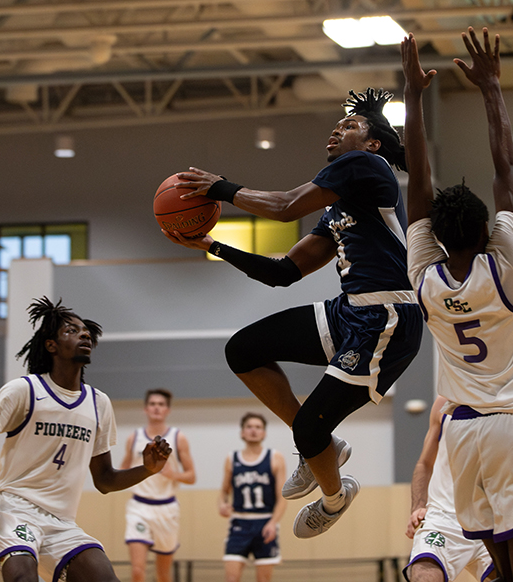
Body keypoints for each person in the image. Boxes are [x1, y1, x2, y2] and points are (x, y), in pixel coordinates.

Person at [164, 85, 423, 538]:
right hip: (349, 314)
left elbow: (284, 207)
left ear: (372, 143)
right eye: (338, 124)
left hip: (387, 320)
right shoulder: (342, 204)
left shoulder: (366, 166)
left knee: (308, 427)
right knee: (244, 350)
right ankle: (323, 446)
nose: (336, 130)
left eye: (349, 125)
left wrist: (221, 188)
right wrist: (212, 245)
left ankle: (335, 496)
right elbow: (283, 272)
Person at [403, 28, 513, 582]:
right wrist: (492, 88)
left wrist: (413, 98)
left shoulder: (424, 280)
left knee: (502, 575)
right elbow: (507, 173)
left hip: (462, 435)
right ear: (489, 230)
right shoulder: (507, 268)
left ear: (438, 238)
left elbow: (416, 192)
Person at [0, 297, 172, 582]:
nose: (84, 334)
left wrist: (148, 469)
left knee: (104, 577)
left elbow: (105, 480)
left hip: (62, 522)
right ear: (51, 345)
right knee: (24, 578)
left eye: (86, 331)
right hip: (17, 508)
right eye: (72, 331)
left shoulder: (98, 403)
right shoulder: (23, 391)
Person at [404, 396, 496, 582]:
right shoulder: (444, 402)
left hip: (494, 520)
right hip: (444, 518)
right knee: (424, 575)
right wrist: (418, 506)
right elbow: (425, 463)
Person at [120, 389, 196, 582]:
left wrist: (173, 474)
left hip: (166, 508)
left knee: (163, 575)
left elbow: (192, 476)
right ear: (145, 409)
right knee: (138, 570)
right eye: (153, 404)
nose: (156, 408)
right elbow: (122, 469)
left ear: (167, 410)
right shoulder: (134, 437)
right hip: (139, 506)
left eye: (161, 404)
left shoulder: (178, 437)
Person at [218, 413, 286, 582]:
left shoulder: (275, 457)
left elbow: (282, 497)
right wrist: (222, 505)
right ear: (242, 432)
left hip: (265, 523)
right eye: (249, 427)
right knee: (231, 578)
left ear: (264, 433)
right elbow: (223, 492)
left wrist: (273, 522)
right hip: (239, 523)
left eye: (258, 427)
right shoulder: (231, 459)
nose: (253, 431)